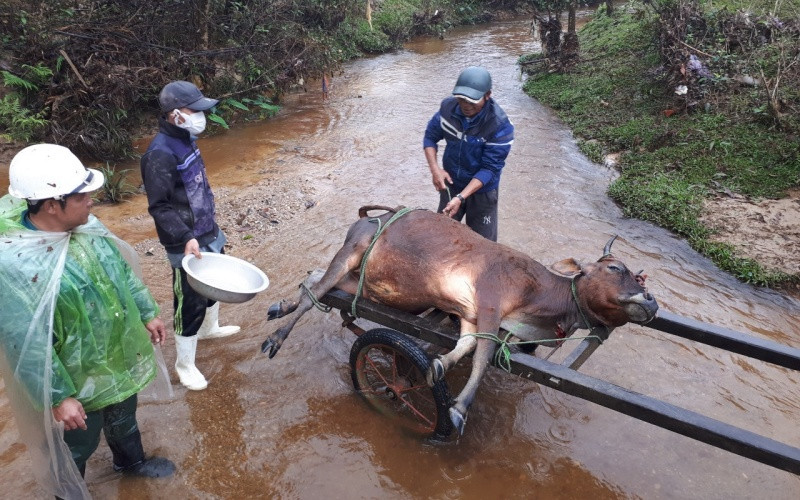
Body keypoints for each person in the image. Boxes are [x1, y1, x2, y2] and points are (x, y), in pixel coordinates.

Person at [0, 144, 175, 499]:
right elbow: (26, 343)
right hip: (74, 379)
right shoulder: (17, 265)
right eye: (82, 196)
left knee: (124, 416)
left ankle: (131, 462)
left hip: (117, 354)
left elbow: (121, 272)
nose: (92, 201)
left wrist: (147, 312)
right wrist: (58, 396)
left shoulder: (85, 225)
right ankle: (68, 492)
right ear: (52, 204)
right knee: (76, 442)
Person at [140, 80, 240, 391]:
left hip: (206, 230)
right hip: (185, 241)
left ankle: (210, 330)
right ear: (174, 115)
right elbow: (159, 206)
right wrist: (185, 236)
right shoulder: (158, 154)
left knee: (215, 285)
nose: (200, 116)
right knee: (190, 301)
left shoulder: (185, 138)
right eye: (192, 110)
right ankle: (184, 364)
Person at [423, 66, 515, 242]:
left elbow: (489, 169)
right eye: (461, 99)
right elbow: (430, 137)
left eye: (472, 100)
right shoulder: (448, 109)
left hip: (482, 192)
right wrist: (435, 170)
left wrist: (461, 197)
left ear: (487, 95)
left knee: (483, 245)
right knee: (440, 238)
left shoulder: (500, 125)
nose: (465, 105)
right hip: (451, 184)